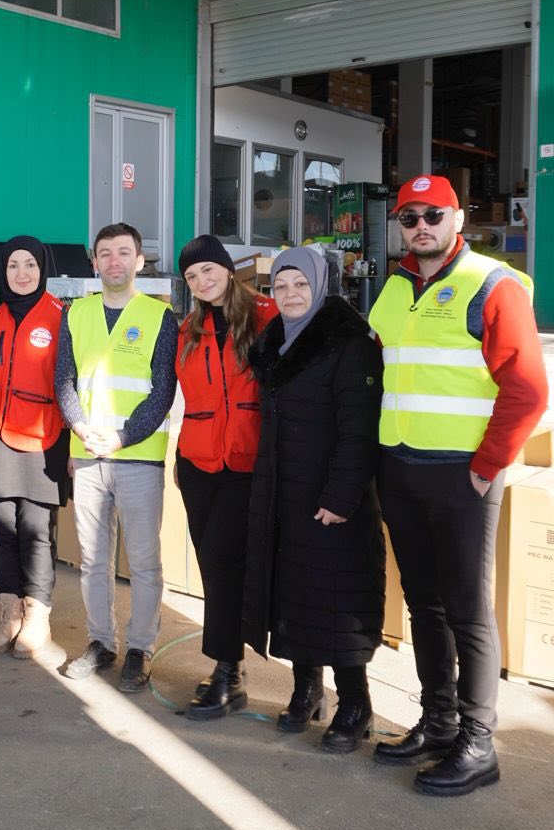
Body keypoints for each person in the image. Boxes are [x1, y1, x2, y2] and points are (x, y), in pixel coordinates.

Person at [369, 174, 548, 796]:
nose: (421, 226)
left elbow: (527, 391)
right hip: (399, 468)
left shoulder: (492, 284)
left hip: (461, 475)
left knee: (468, 609)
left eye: (433, 215)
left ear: (457, 219)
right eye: (409, 217)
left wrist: (485, 467)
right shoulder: (394, 288)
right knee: (424, 604)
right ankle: (439, 721)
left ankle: (478, 743)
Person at [244, 246, 385, 752]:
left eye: (300, 284)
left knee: (337, 597)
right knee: (293, 591)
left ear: (321, 285)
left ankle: (355, 703)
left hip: (330, 495)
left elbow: (360, 428)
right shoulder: (274, 341)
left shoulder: (350, 343)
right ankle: (307, 689)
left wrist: (342, 495)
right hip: (284, 491)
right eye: (281, 286)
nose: (290, 294)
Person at [56, 222, 178, 692]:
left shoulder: (159, 316)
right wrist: (80, 427)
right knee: (93, 560)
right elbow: (64, 379)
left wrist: (122, 437)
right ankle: (101, 642)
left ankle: (140, 649)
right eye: (105, 253)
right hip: (88, 453)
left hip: (138, 456)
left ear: (139, 261)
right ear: (94, 262)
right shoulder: (76, 313)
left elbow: (162, 390)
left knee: (143, 561)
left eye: (123, 252)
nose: (114, 261)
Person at [174, 236, 278, 719]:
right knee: (213, 565)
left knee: (222, 560)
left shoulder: (266, 316)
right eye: (192, 276)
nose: (201, 281)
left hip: (245, 462)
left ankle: (227, 671)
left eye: (208, 270)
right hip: (197, 464)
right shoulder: (188, 329)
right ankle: (229, 666)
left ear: (227, 269)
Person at [0, 236, 68, 663]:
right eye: (12, 265)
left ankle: (37, 615)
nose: (21, 273)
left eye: (29, 264)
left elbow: (72, 385)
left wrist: (74, 447)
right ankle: (9, 613)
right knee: (3, 527)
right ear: (2, 270)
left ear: (42, 269)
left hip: (43, 438)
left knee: (36, 529)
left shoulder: (62, 317)